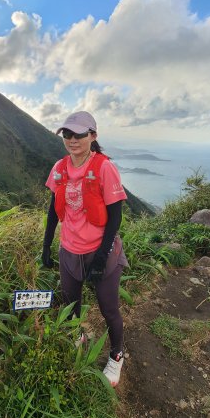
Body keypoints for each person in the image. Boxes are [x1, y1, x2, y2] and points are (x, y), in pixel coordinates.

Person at [42, 111, 129, 387]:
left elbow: (115, 216)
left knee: (109, 309)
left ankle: (117, 355)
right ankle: (77, 337)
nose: (72, 140)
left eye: (79, 134)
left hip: (100, 250)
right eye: (67, 134)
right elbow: (53, 210)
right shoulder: (59, 167)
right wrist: (46, 245)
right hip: (69, 250)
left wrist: (102, 257)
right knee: (71, 305)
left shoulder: (104, 167)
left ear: (93, 136)